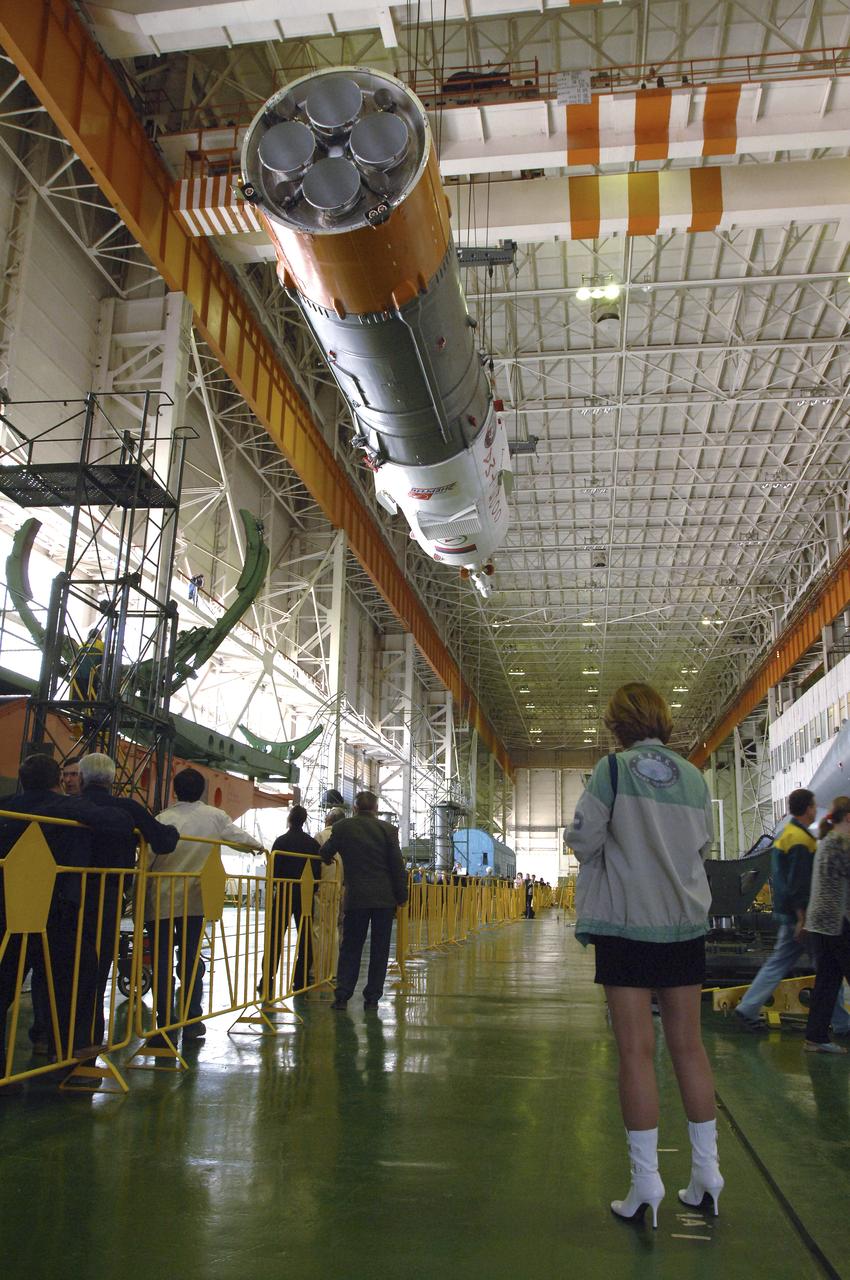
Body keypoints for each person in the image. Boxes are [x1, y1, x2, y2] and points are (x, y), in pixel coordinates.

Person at [567, 683, 721, 1228]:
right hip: (684, 926)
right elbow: (701, 849)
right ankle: (707, 1176)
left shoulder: (612, 772)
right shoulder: (694, 779)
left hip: (627, 925)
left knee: (635, 1051)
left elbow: (582, 839)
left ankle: (645, 1184)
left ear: (618, 725)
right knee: (689, 1048)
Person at [0, 754, 131, 1062]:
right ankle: (73, 1046)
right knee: (81, 969)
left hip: (7, 908)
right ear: (59, 780)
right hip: (51, 912)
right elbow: (119, 822)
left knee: (5, 983)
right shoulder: (65, 808)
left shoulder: (6, 806)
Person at [147, 767, 262, 1042]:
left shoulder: (162, 819)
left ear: (174, 790)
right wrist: (258, 847)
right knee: (189, 959)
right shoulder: (215, 817)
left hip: (160, 901)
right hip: (195, 901)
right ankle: (192, 1018)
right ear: (201, 791)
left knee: (161, 961)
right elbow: (240, 839)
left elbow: (147, 860)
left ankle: (164, 1023)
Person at [78, 753, 179, 1044]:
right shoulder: (125, 809)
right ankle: (88, 1041)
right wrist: (170, 829)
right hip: (106, 897)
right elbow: (162, 841)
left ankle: (48, 1038)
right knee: (96, 969)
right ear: (112, 780)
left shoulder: (67, 806)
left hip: (58, 895)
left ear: (80, 779)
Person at [735, 790, 850, 1035]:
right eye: (813, 805)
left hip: (791, 913)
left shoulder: (788, 833)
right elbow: (799, 883)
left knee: (804, 966)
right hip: (803, 918)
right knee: (829, 970)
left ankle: (748, 1007)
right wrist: (802, 918)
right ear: (808, 808)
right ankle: (840, 1024)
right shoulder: (800, 839)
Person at [320, 791, 408, 1010]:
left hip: (356, 896)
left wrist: (328, 856)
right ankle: (372, 998)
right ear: (376, 809)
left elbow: (325, 852)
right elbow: (397, 866)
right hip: (383, 899)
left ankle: (342, 995)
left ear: (355, 808)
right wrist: (402, 896)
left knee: (350, 946)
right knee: (380, 949)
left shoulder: (342, 828)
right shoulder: (388, 830)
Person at [803, 799, 850, 1053]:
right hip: (836, 922)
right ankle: (816, 1037)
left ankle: (816, 1037)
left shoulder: (827, 840)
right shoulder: (841, 844)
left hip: (821, 923)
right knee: (829, 980)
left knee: (828, 981)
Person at [260, 805, 320, 1000]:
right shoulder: (312, 844)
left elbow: (273, 871)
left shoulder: (281, 841)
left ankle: (267, 979)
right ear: (304, 821)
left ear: (289, 819)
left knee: (275, 936)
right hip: (305, 893)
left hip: (284, 892)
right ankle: (301, 979)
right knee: (305, 936)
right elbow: (317, 872)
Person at [313, 807, 345, 983]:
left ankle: (318, 968)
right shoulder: (347, 838)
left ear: (328, 820)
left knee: (319, 928)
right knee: (334, 928)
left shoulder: (321, 836)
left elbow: (316, 861)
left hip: (323, 886)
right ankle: (333, 969)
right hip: (339, 887)